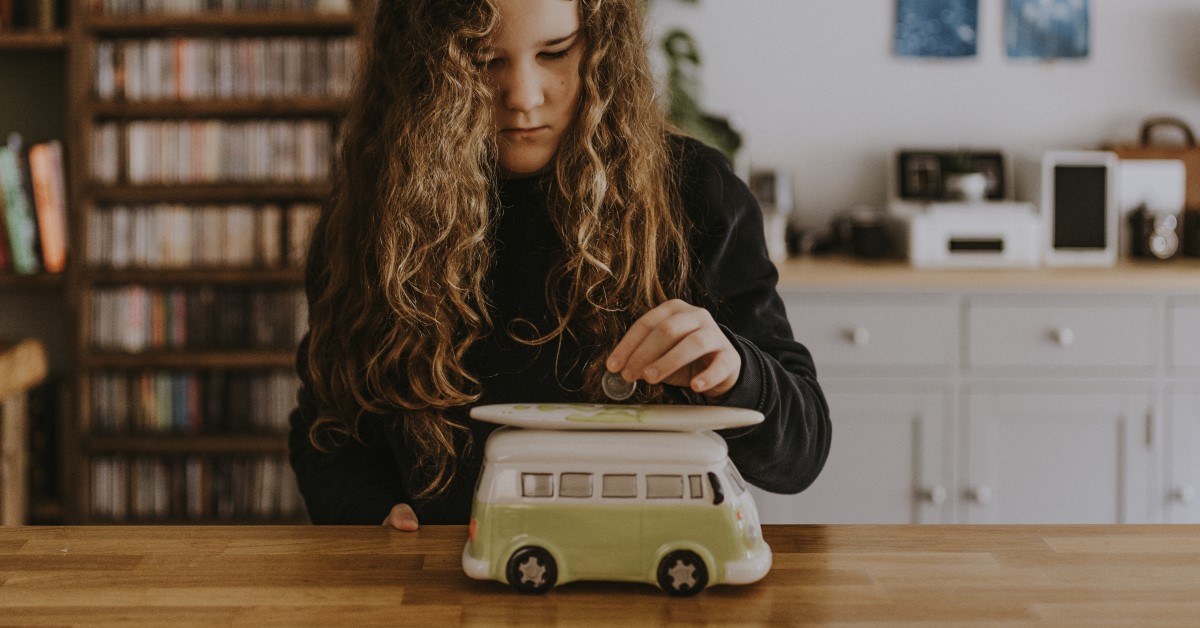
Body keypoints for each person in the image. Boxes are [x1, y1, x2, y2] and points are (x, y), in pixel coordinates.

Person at [288, 0, 831, 530]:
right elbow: (329, 427)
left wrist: (736, 371)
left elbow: (801, 455)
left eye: (555, 52)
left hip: (649, 585)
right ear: (425, 68)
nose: (523, 97)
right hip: (440, 587)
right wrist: (367, 511)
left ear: (601, 48)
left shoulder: (699, 195)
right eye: (483, 60)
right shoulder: (371, 214)